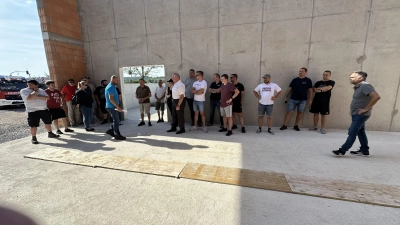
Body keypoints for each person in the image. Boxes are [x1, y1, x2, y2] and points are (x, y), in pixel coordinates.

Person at [332, 71, 380, 157]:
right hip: (356, 114)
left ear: (360, 78)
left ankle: (342, 150)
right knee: (361, 132)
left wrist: (365, 109)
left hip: (361, 115)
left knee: (352, 131)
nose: (350, 78)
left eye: (352, 77)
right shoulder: (359, 87)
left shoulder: (365, 86)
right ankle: (364, 150)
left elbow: (376, 97)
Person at [20, 79, 60, 144]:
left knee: (48, 122)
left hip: (44, 109)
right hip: (32, 110)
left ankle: (50, 133)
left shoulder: (41, 90)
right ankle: (34, 138)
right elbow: (29, 98)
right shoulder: (24, 90)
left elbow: (47, 98)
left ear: (36, 85)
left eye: (31, 84)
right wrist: (35, 91)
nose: (29, 86)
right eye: (28, 84)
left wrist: (37, 96)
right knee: (33, 125)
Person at [105, 75, 126, 140]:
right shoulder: (110, 87)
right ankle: (117, 134)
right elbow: (110, 98)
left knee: (117, 120)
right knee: (117, 121)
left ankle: (111, 130)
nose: (118, 81)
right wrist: (118, 107)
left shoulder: (112, 86)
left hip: (113, 106)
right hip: (112, 107)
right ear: (113, 79)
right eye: (117, 80)